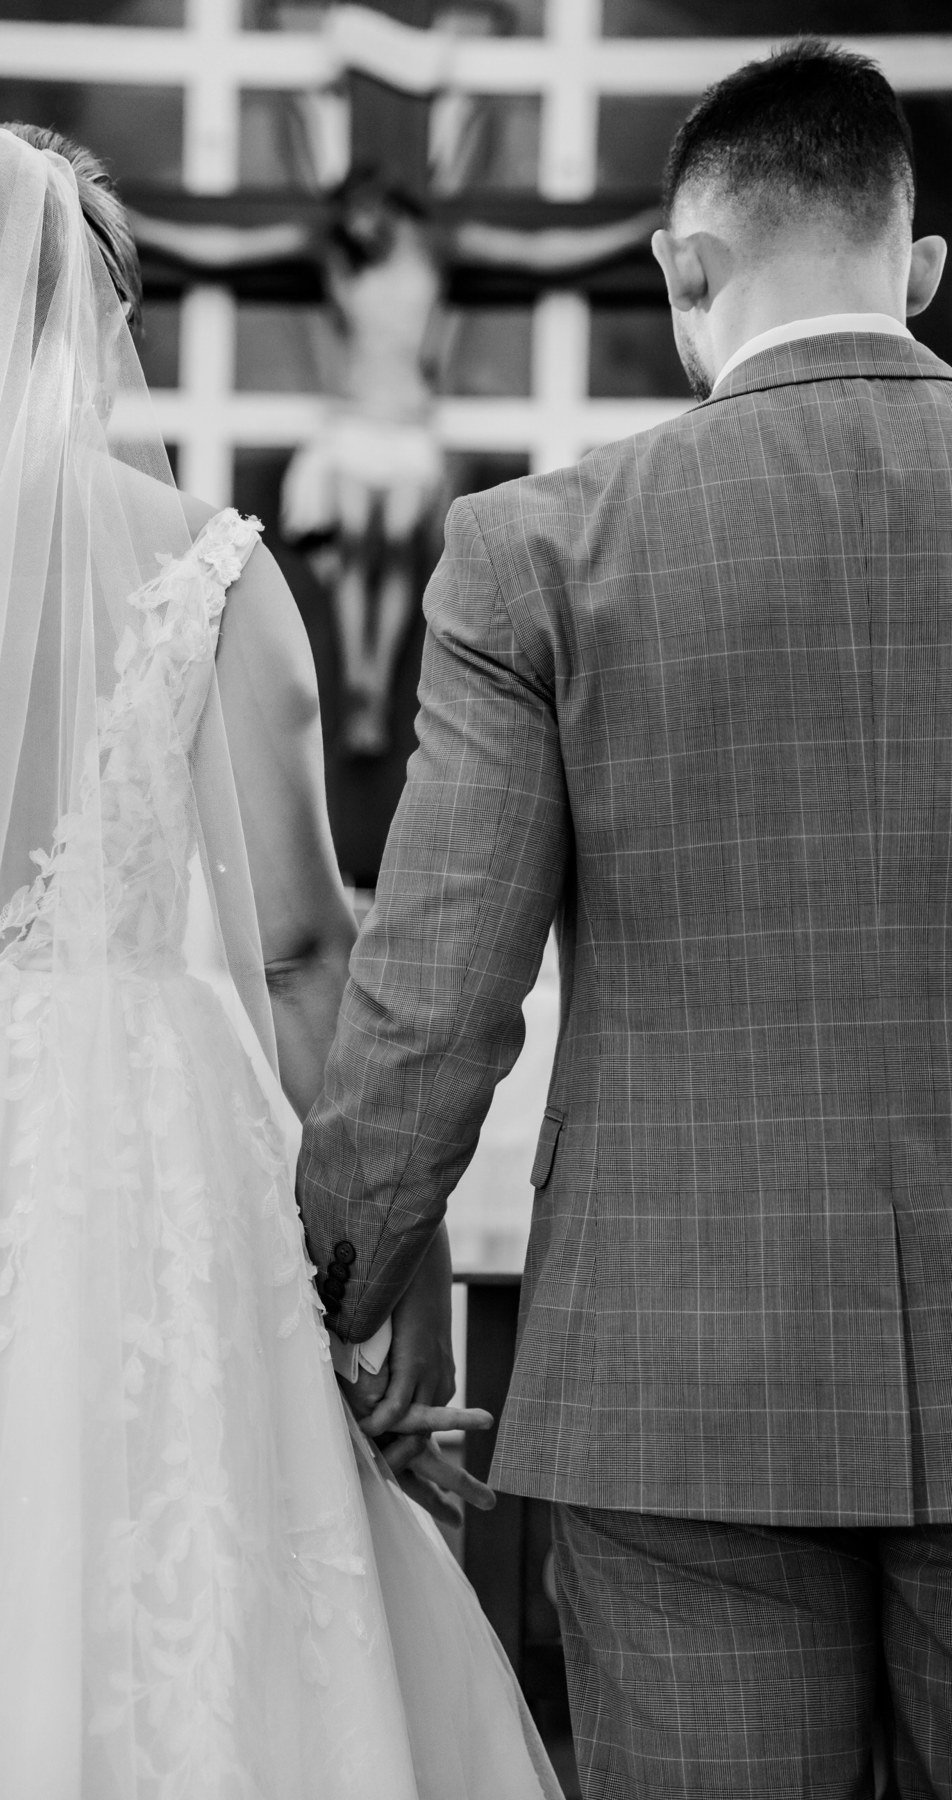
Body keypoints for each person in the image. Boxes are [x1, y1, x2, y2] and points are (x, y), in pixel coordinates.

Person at [0, 119, 562, 1799]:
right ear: (73, 299)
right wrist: (372, 1269)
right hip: (120, 1184)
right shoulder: (196, 568)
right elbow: (303, 958)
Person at [298, 38, 952, 1798]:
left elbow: (432, 1000)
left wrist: (330, 1281)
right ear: (923, 266)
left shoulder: (541, 552)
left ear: (682, 268)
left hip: (676, 1388)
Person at [132, 181, 657, 757]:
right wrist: (138, 224)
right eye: (346, 222)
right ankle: (360, 685)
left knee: (400, 545)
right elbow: (223, 248)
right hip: (352, 426)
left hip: (409, 431)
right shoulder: (329, 249)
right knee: (358, 543)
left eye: (362, 216)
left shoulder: (439, 244)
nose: (355, 230)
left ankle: (377, 681)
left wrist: (635, 234)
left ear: (386, 204)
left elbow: (542, 253)